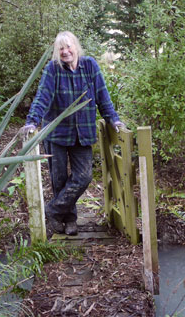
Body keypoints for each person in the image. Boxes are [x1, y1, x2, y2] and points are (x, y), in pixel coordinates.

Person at [21, 31, 124, 236]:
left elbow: (103, 96)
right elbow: (43, 97)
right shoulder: (53, 69)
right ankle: (69, 222)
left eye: (68, 47)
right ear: (56, 52)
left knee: (84, 177)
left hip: (82, 133)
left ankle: (52, 211)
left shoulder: (90, 66)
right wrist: (32, 121)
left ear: (76, 47)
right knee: (59, 179)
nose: (65, 51)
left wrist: (113, 119)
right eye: (61, 48)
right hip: (57, 134)